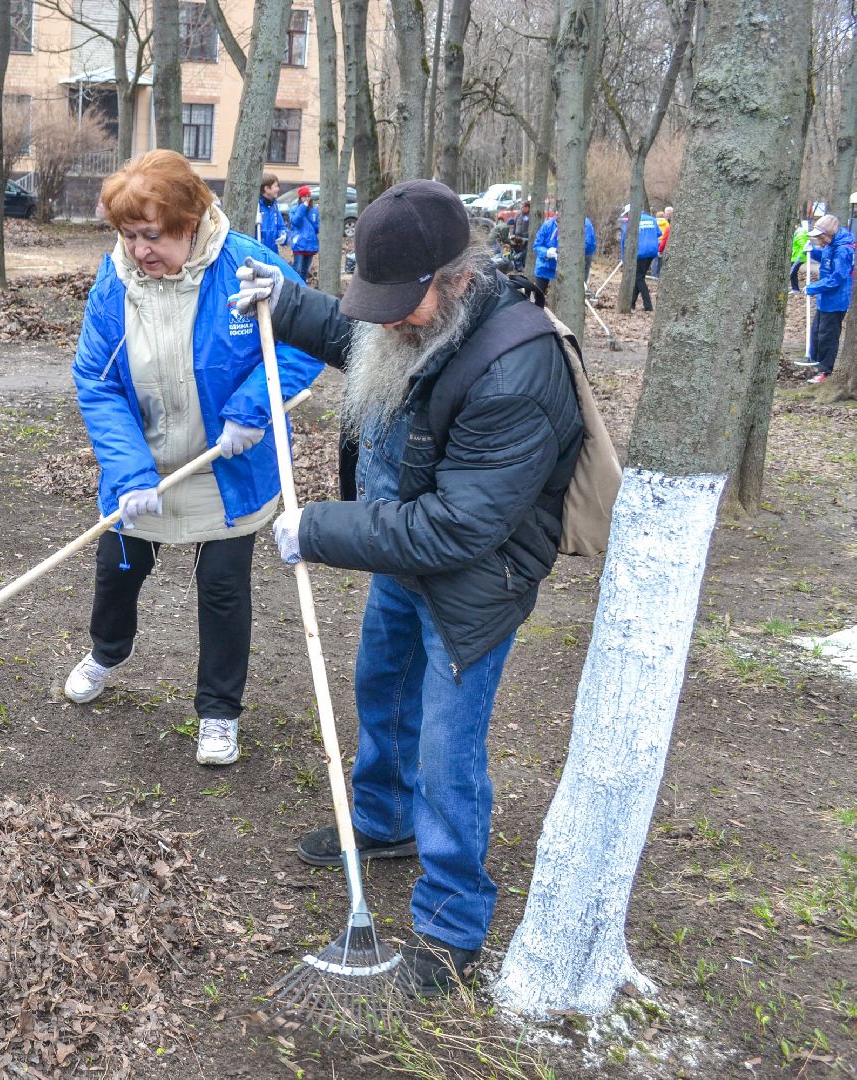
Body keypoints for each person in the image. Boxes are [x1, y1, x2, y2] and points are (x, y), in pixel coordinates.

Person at [228, 179, 585, 995]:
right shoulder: (417, 317)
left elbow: (460, 526)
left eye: (401, 301)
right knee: (381, 684)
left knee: (446, 746)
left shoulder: (516, 367)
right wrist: (284, 301)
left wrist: (318, 529)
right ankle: (384, 822)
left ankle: (453, 917)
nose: (386, 316)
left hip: (473, 581)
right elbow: (355, 335)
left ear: (455, 277)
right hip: (401, 549)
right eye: (375, 296)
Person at [67, 150, 324, 766]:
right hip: (148, 466)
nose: (138, 250)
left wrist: (251, 408)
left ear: (191, 221)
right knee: (118, 569)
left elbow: (307, 343)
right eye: (128, 235)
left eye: (152, 235)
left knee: (223, 586)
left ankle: (218, 712)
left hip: (227, 467)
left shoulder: (249, 266)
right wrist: (129, 472)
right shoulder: (115, 287)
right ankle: (108, 650)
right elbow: (96, 382)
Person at [805, 212, 853, 384]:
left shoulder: (843, 250)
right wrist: (812, 252)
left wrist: (813, 288)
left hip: (836, 301)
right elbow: (826, 259)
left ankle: (825, 371)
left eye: (820, 237)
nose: (819, 241)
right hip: (825, 300)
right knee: (817, 332)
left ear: (829, 234)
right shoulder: (831, 246)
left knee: (828, 336)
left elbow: (837, 278)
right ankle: (816, 362)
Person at [530, 212, 597, 304]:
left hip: (569, 268)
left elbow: (589, 246)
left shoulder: (584, 223)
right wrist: (547, 252)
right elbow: (537, 245)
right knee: (539, 296)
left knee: (566, 299)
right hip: (545, 266)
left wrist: (568, 253)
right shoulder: (548, 225)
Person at [619, 205, 662, 311]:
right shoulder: (652, 219)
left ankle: (648, 305)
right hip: (652, 252)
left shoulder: (631, 223)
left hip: (640, 253)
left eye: (627, 214)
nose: (627, 216)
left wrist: (624, 257)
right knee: (639, 277)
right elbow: (659, 233)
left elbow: (624, 241)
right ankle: (631, 303)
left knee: (639, 278)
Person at [288, 185, 320, 281]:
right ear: (300, 198)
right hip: (299, 244)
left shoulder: (314, 210)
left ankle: (303, 288)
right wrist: (303, 208)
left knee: (305, 271)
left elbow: (316, 227)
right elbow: (295, 222)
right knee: (297, 269)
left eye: (308, 196)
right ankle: (295, 287)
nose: (307, 198)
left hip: (310, 244)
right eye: (304, 196)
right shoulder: (294, 209)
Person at [257, 172, 287, 254]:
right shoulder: (256, 206)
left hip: (272, 253)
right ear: (267, 188)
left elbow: (281, 227)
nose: (278, 189)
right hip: (257, 253)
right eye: (276, 186)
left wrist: (283, 235)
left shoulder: (274, 206)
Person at [790, 219, 810, 294]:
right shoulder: (798, 233)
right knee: (793, 273)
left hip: (798, 258)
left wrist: (799, 257)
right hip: (796, 257)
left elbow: (804, 247)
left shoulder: (800, 234)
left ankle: (795, 289)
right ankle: (795, 289)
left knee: (791, 272)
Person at [651, 206, 672, 278]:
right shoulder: (666, 223)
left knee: (654, 259)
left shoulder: (653, 222)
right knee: (660, 258)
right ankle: (658, 274)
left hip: (655, 241)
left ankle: (653, 273)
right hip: (662, 242)